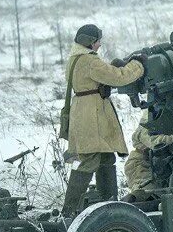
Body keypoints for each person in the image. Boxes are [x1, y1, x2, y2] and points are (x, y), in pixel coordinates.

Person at [61, 24, 144, 216]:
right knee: (90, 159)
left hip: (85, 112)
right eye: (97, 41)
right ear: (90, 42)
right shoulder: (89, 61)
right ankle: (69, 211)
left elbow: (98, 76)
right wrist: (137, 64)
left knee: (106, 157)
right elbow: (119, 77)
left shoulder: (75, 59)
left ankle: (110, 207)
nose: (99, 45)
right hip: (92, 116)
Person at [123, 112, 173, 202]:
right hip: (143, 162)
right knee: (144, 194)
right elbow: (155, 143)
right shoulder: (152, 113)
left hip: (166, 163)